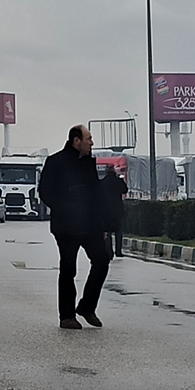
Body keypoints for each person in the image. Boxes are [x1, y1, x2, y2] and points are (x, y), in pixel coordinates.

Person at [37, 124, 110, 329]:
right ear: (76, 141)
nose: (91, 143)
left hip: (90, 225)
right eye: (88, 139)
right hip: (66, 226)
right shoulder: (55, 162)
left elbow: (96, 195)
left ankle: (87, 306)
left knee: (102, 260)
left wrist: (103, 223)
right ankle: (67, 316)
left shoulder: (88, 164)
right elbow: (45, 192)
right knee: (68, 269)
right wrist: (65, 208)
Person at [100, 166, 128, 257]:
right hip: (117, 210)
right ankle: (118, 251)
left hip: (106, 211)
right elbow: (125, 190)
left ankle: (109, 252)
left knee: (108, 232)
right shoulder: (118, 181)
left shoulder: (102, 182)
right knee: (118, 231)